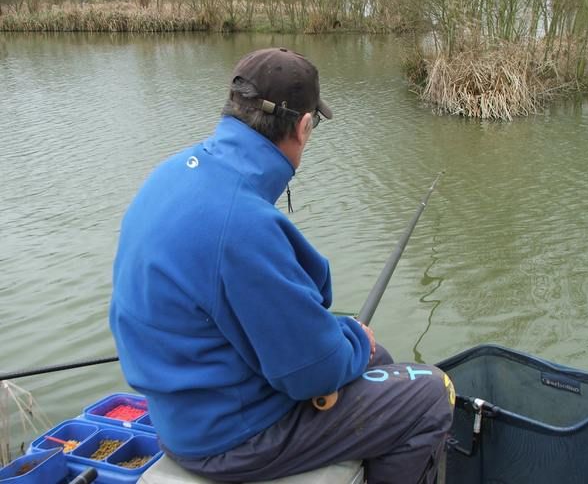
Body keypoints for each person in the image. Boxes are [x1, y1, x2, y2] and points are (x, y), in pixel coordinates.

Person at [109, 47, 454, 484]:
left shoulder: (171, 174)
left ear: (234, 108)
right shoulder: (242, 225)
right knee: (428, 393)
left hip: (182, 414)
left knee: (375, 355)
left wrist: (354, 344)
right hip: (232, 439)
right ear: (304, 127)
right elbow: (314, 373)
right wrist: (354, 341)